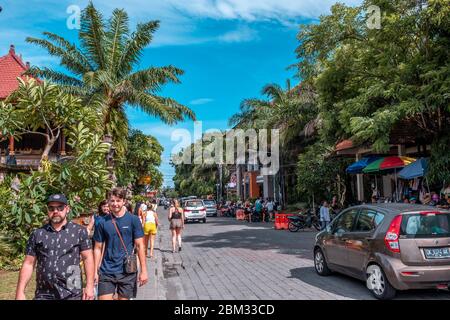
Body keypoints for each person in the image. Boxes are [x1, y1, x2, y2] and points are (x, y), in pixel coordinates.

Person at [15, 194, 95, 300]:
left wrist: (89, 286)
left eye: (60, 207)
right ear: (47, 210)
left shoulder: (79, 231)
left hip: (72, 292)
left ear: (67, 209)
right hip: (44, 293)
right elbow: (28, 263)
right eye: (51, 208)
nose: (55, 211)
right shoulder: (38, 234)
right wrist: (20, 292)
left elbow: (87, 258)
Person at [93, 188, 148, 300]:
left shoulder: (133, 220)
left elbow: (140, 246)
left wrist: (144, 270)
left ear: (123, 201)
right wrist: (94, 272)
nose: (115, 204)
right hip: (107, 270)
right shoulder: (102, 222)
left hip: (127, 271)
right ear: (108, 202)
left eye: (118, 200)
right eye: (112, 201)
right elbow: (97, 248)